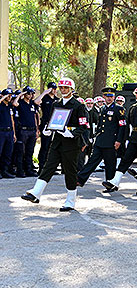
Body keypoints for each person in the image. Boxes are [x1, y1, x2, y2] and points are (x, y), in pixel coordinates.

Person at [20, 78, 89, 211]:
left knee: (70, 171)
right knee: (48, 167)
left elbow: (83, 126)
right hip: (57, 141)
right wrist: (47, 129)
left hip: (71, 144)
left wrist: (72, 134)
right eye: (61, 87)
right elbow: (52, 120)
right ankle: (36, 193)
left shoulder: (78, 105)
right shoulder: (56, 103)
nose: (63, 90)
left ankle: (70, 201)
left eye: (66, 88)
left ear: (72, 89)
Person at [103, 87, 137, 194]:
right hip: (134, 137)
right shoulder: (132, 107)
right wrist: (126, 139)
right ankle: (115, 181)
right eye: (136, 93)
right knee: (126, 160)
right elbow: (129, 125)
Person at [76, 87, 126, 190]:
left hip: (111, 141)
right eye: (107, 96)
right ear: (103, 97)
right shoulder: (103, 108)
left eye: (111, 96)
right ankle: (80, 179)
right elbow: (100, 125)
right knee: (92, 160)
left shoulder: (118, 109)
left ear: (114, 97)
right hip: (100, 140)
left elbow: (122, 126)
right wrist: (96, 136)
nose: (109, 98)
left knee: (110, 163)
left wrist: (119, 141)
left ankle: (111, 183)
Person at [12, 86, 40, 177]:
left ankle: (29, 170)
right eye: (28, 93)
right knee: (21, 151)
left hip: (32, 130)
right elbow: (15, 103)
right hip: (23, 131)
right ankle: (20, 171)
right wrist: (21, 94)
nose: (30, 95)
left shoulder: (32, 103)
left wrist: (36, 129)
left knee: (30, 151)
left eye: (31, 93)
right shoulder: (20, 103)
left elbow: (35, 117)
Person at [34, 82, 58, 170]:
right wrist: (44, 93)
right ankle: (41, 167)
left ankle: (50, 167)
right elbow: (36, 102)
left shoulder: (57, 99)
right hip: (46, 124)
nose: (54, 90)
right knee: (44, 146)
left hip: (56, 124)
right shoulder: (45, 98)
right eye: (52, 88)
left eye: (55, 89)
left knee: (52, 147)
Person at [0, 89, 16, 179]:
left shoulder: (9, 106)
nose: (10, 97)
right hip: (1, 131)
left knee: (7, 153)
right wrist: (3, 97)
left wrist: (13, 133)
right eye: (8, 95)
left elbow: (12, 120)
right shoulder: (1, 105)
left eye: (10, 96)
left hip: (9, 132)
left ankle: (5, 171)